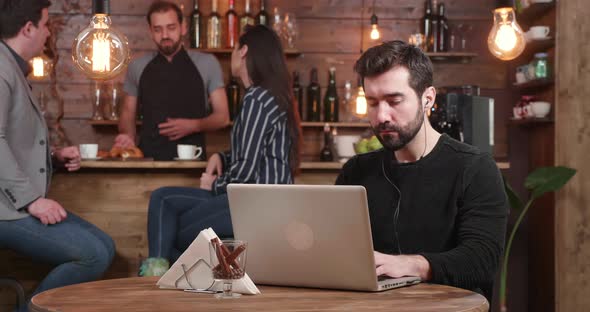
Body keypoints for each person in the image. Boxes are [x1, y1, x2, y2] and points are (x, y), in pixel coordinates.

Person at [335, 40, 508, 302]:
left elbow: (481, 260)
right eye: (372, 103)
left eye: (394, 101)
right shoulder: (356, 171)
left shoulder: (475, 168)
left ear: (427, 99)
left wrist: (412, 265)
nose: (381, 115)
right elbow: (335, 248)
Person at [139, 25, 302, 276]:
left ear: (244, 51)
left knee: (171, 221)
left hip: (253, 203)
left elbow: (245, 173)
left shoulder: (256, 99)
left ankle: (160, 279)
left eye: (235, 48)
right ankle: (180, 275)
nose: (233, 56)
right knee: (165, 205)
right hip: (264, 202)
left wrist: (213, 184)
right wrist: (221, 156)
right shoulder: (271, 96)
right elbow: (257, 149)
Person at [0, 0, 115, 309]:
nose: (49, 33)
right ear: (28, 29)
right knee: (94, 254)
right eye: (46, 24)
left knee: (105, 246)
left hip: (15, 205)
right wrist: (32, 200)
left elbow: (12, 140)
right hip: (7, 210)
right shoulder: (1, 68)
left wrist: (53, 156)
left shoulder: (12, 67)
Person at [114, 0, 229, 160]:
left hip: (193, 165)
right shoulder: (137, 66)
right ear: (150, 32)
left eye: (171, 27)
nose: (165, 35)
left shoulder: (207, 63)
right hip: (147, 163)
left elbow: (222, 117)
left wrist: (194, 126)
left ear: (183, 27)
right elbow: (127, 115)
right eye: (158, 30)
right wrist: (127, 138)